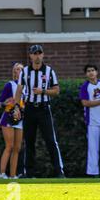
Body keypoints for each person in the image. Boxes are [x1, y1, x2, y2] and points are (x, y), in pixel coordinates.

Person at [13, 45, 65, 178]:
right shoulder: (24, 72)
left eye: (39, 53)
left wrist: (43, 91)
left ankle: (59, 171)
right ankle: (28, 173)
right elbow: (19, 91)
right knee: (29, 141)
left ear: (43, 55)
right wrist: (17, 107)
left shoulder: (49, 71)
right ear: (30, 56)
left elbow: (56, 91)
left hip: (44, 109)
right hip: (29, 108)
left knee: (50, 140)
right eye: (34, 53)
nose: (37, 56)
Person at [0, 63, 25, 179]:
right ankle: (2, 173)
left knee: (17, 148)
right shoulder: (10, 85)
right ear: (14, 72)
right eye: (17, 69)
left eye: (21, 69)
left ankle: (13, 175)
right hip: (8, 118)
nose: (19, 71)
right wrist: (9, 103)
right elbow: (1, 102)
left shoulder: (26, 86)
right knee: (9, 146)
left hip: (20, 119)